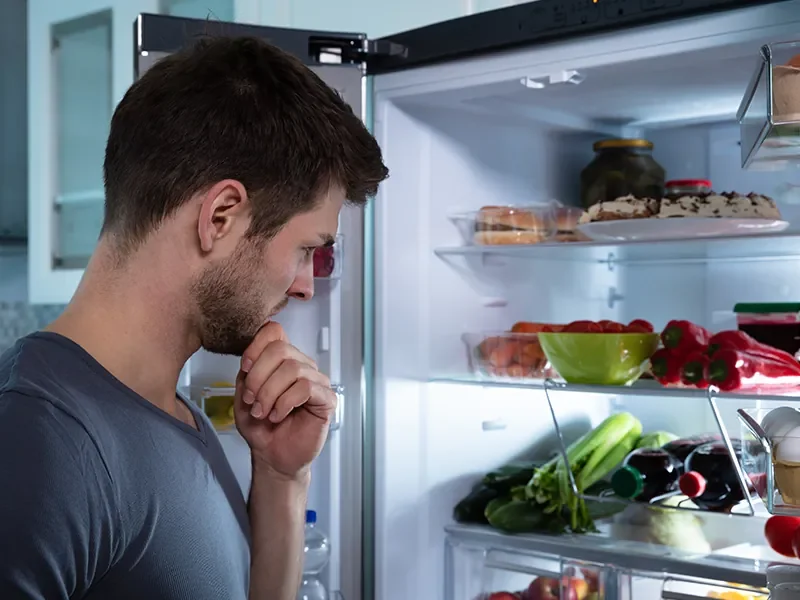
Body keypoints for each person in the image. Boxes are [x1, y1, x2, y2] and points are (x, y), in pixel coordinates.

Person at [0, 36, 388, 600]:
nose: (306, 286)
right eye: (308, 248)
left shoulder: (172, 412)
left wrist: (282, 480)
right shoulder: (41, 440)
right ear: (222, 216)